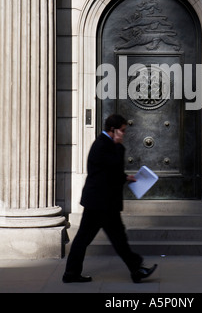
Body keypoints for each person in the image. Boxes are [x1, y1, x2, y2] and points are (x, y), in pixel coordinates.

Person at [62, 114, 157, 284]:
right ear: (113, 130)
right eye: (122, 130)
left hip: (102, 202)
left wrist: (126, 178)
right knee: (109, 238)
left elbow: (110, 172)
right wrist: (119, 148)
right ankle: (135, 268)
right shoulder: (103, 145)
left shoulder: (107, 144)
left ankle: (72, 273)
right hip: (101, 203)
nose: (124, 134)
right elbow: (111, 170)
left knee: (103, 238)